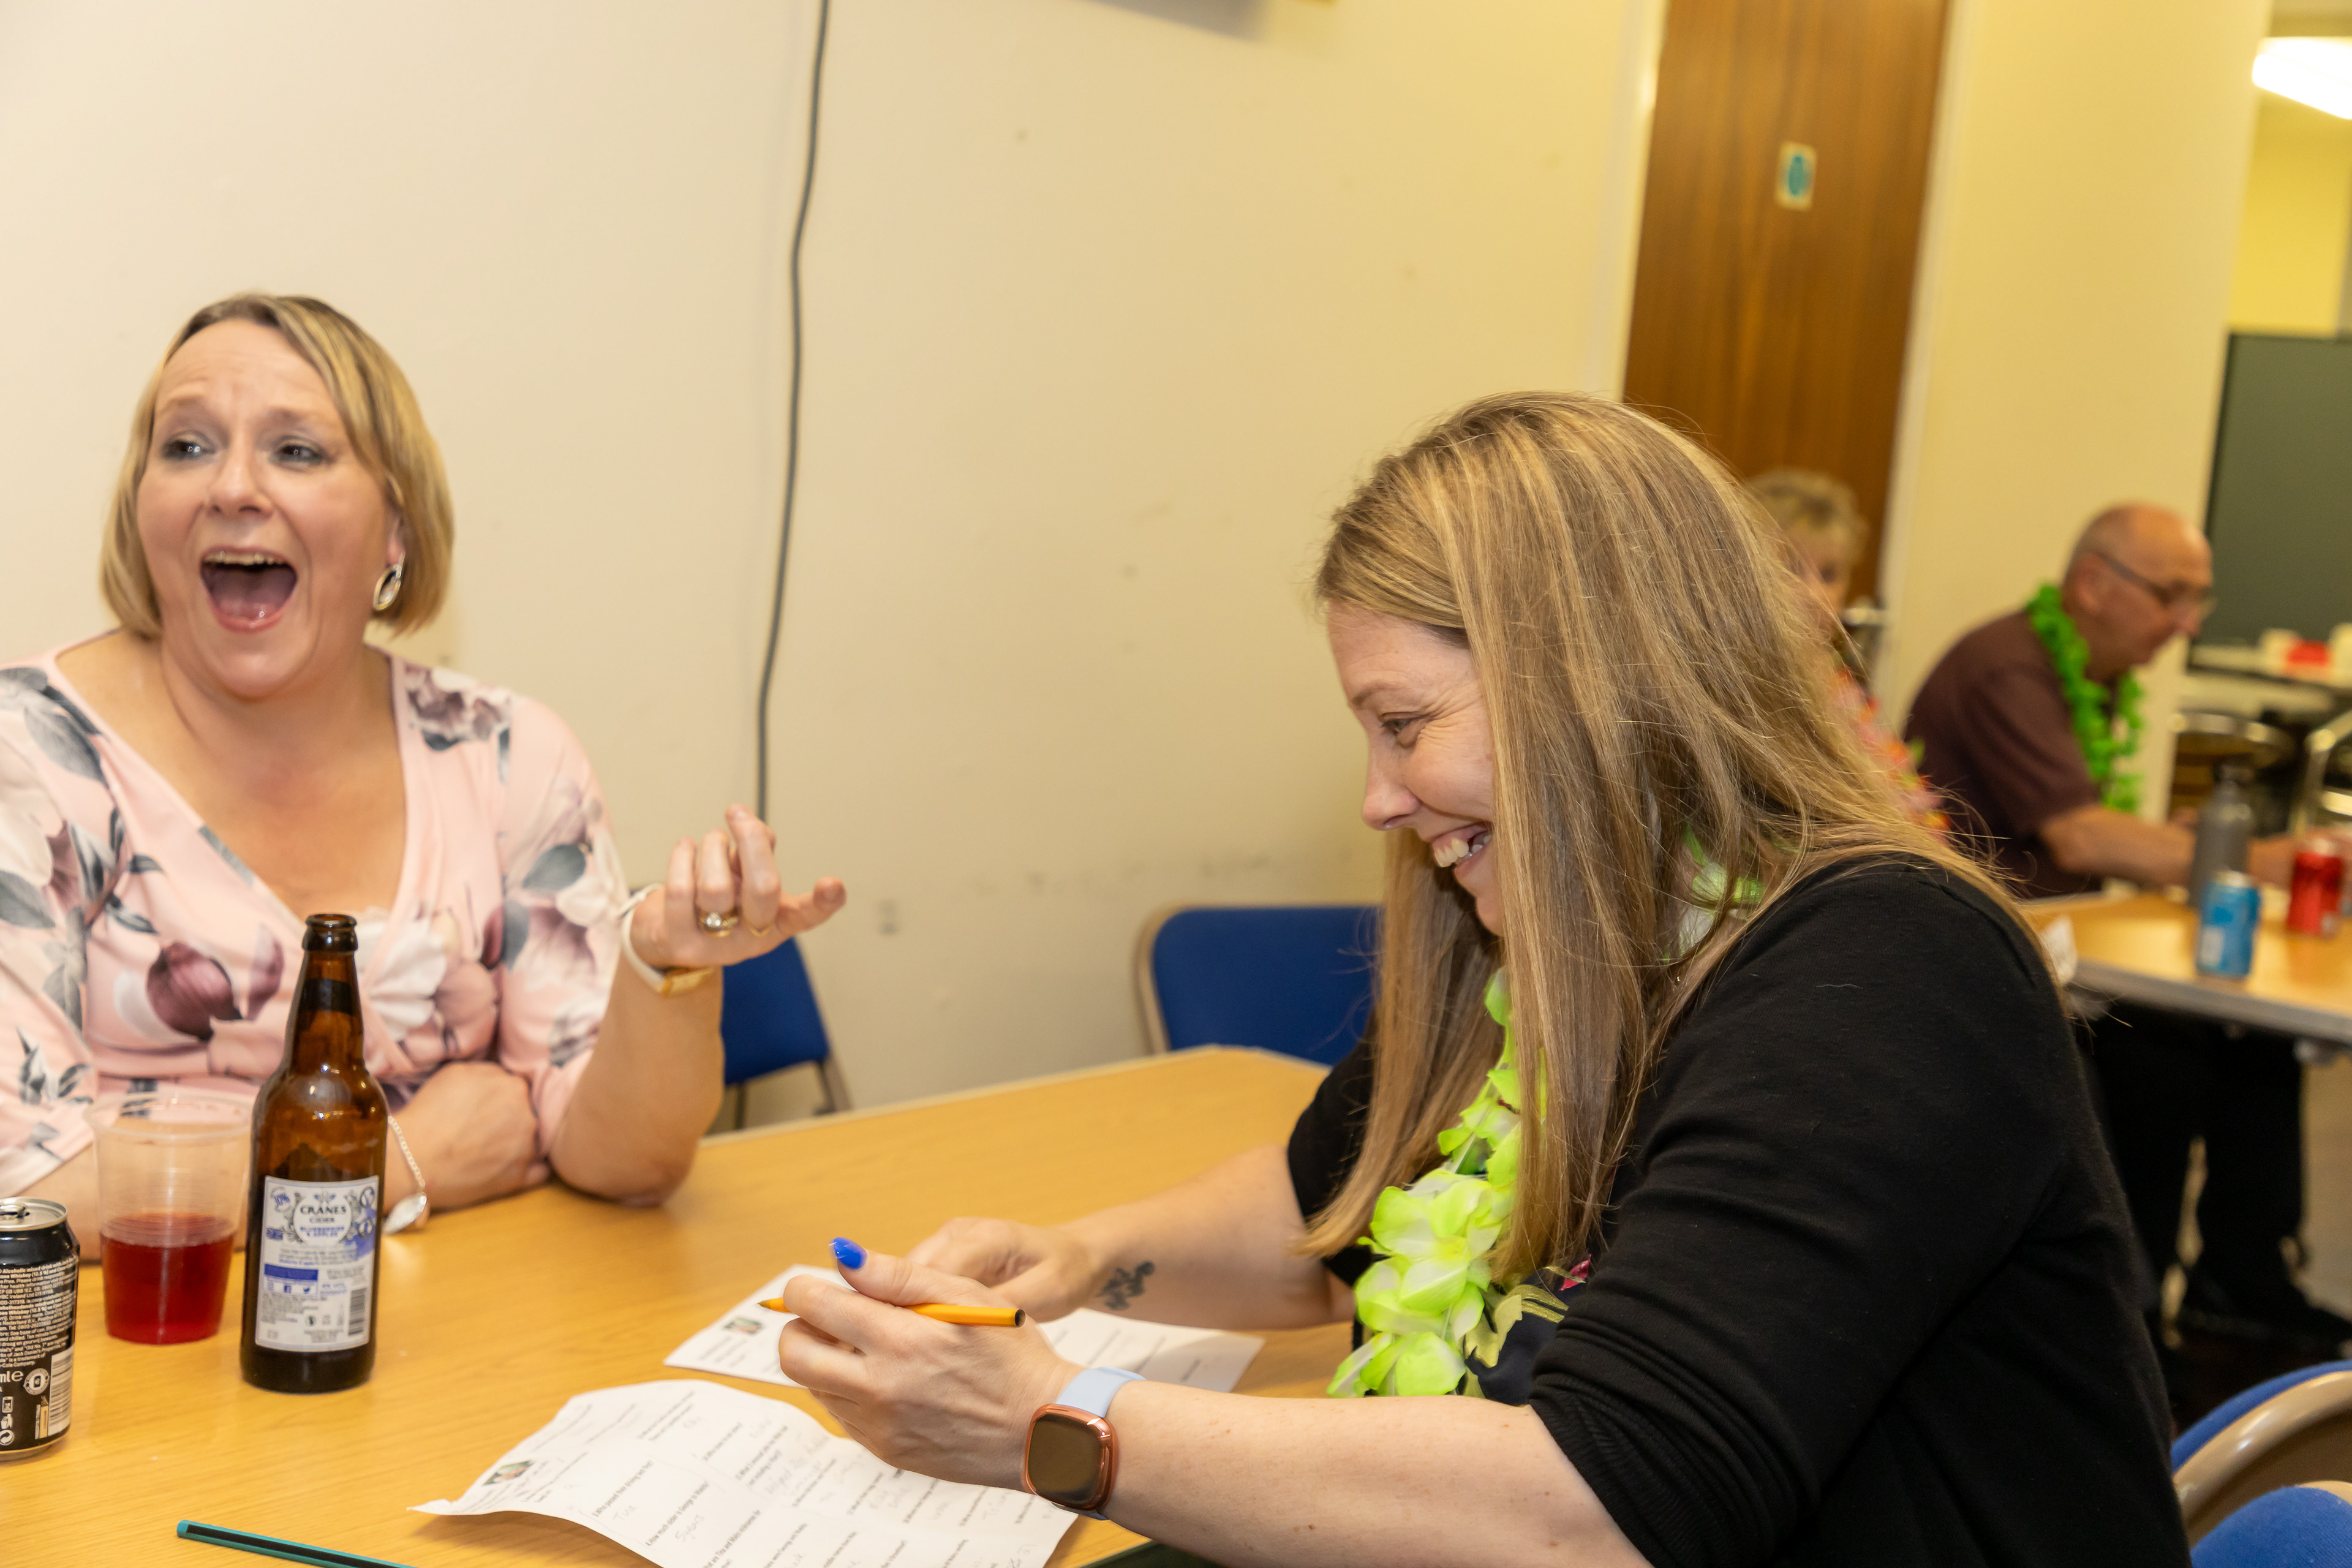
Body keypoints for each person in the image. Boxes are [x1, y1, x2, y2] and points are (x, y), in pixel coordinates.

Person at [771, 394, 2185, 1567]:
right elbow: (1331, 1203)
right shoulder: (1557, 939)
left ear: (1597, 683)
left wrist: (1056, 1420)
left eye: (1405, 723)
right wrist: (1081, 1259)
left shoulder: (1884, 970)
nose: (1378, 798)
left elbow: (1605, 1503)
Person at [0, 293, 846, 1243]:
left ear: (395, 532)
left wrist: (666, 974)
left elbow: (626, 1164)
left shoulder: (509, 758)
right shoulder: (28, 757)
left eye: (297, 450)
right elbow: (23, 1193)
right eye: (186, 446)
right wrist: (394, 1163)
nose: (231, 487)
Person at [1905, 503, 2347, 1362]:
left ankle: (2241, 1280)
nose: (2188, 624)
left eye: (2198, 600)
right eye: (2172, 595)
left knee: (2244, 1041)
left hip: (2061, 939)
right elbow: (2080, 836)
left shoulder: (2087, 675)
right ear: (2093, 584)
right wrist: (2257, 860)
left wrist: (2176, 845)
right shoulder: (2010, 667)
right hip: (1983, 957)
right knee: (2168, 1052)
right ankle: (2125, 1319)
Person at [1749, 468, 1944, 833]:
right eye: (1789, 569)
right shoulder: (1743, 685)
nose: (1814, 595)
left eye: (1829, 575)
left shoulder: (1839, 684)